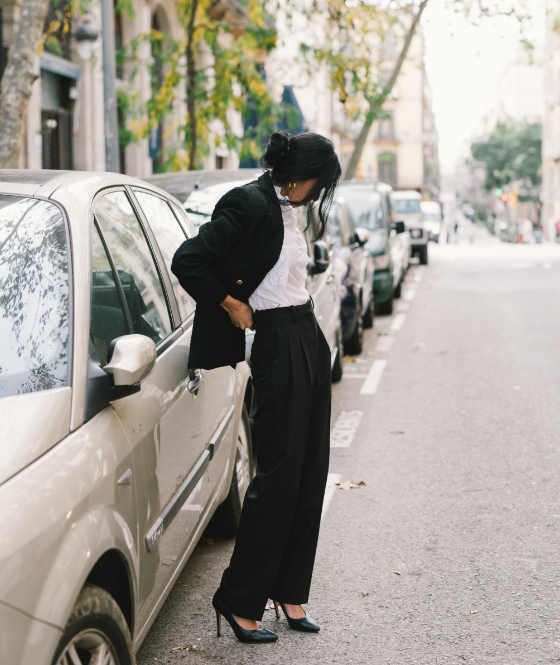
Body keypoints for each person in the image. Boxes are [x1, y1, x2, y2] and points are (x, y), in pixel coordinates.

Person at [171, 130, 341, 644]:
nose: (318, 193)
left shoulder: (290, 208)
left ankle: (289, 591)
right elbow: (188, 260)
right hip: (275, 341)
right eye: (319, 182)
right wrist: (230, 304)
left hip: (307, 334)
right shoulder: (247, 201)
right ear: (302, 171)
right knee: (278, 475)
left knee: (311, 471)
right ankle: (240, 598)